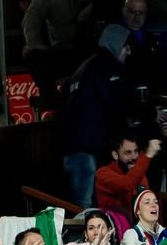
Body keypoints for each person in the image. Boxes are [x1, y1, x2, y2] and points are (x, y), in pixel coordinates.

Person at [22, 0, 117, 106]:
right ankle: (51, 99)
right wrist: (35, 43)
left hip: (93, 48)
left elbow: (113, 11)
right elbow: (32, 17)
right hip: (63, 49)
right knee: (32, 56)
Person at [58, 23, 135, 207]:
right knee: (84, 207)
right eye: (126, 46)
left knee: (83, 204)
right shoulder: (106, 66)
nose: (128, 52)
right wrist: (146, 114)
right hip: (87, 149)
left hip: (72, 148)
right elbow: (118, 103)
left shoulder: (85, 66)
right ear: (115, 44)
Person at [96, 135, 162, 220]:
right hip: (114, 226)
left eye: (136, 151)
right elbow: (127, 183)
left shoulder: (140, 176)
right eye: (128, 152)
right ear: (115, 155)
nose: (134, 157)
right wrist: (148, 155)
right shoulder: (103, 173)